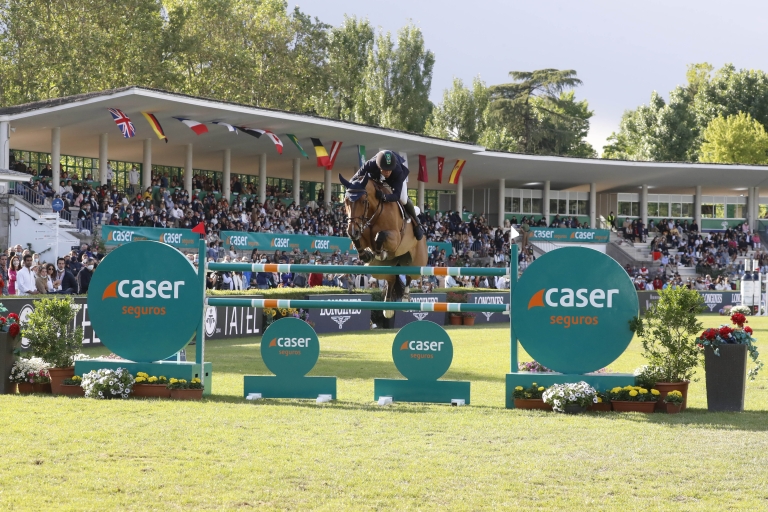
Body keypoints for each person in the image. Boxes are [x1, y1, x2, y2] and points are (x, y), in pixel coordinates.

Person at [352, 150, 424, 240]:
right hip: (376, 177)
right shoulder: (370, 164)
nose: (388, 172)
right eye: (385, 169)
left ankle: (417, 223)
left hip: (395, 180)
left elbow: (397, 195)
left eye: (390, 170)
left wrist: (384, 197)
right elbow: (354, 179)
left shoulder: (397, 171)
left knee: (403, 199)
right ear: (379, 166)